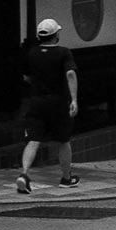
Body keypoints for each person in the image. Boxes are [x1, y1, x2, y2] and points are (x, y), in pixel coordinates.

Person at [16, 19, 80, 194]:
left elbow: (26, 78)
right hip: (58, 103)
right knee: (63, 140)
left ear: (39, 36)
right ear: (56, 35)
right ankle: (66, 178)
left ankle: (24, 174)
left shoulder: (32, 54)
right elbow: (70, 74)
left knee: (33, 140)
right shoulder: (63, 53)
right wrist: (74, 99)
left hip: (36, 102)